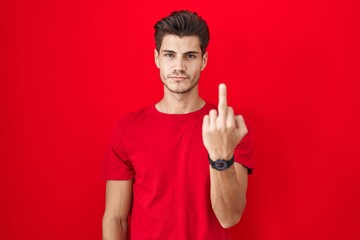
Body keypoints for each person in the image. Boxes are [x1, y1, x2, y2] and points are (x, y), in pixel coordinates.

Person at [102, 10, 254, 240]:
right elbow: (116, 219)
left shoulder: (227, 128)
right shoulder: (127, 130)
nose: (179, 66)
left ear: (204, 60)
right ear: (157, 59)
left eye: (190, 56)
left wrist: (220, 158)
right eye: (170, 55)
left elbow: (229, 217)